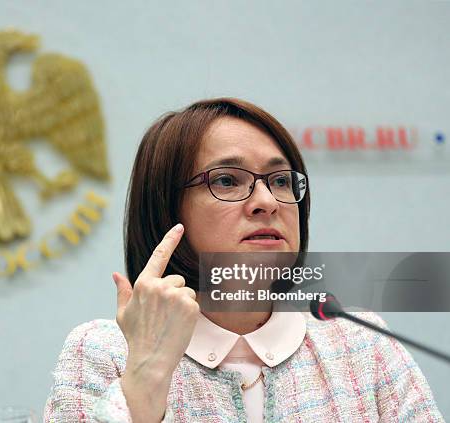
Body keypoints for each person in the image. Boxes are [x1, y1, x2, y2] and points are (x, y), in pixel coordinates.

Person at [42, 98, 443, 422]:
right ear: (166, 207)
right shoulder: (104, 351)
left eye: (281, 180)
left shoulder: (362, 344)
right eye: (227, 181)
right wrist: (144, 382)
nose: (267, 202)